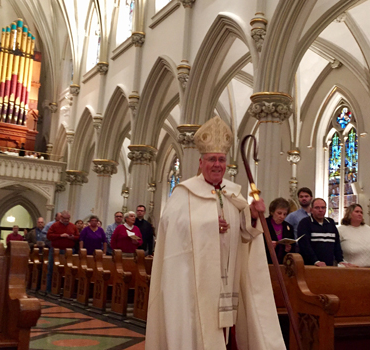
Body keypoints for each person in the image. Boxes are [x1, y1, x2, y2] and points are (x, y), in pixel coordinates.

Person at [146, 116, 285, 350]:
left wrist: (251, 214)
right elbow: (173, 229)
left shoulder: (233, 193)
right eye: (211, 159)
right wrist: (209, 226)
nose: (217, 164)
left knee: (226, 329)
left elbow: (245, 234)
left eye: (221, 159)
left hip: (228, 278)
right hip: (193, 280)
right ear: (201, 163)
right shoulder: (184, 193)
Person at [297, 198, 346, 267]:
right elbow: (305, 246)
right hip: (311, 266)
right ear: (311, 210)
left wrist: (340, 260)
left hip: (329, 266)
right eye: (317, 208)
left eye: (323, 207)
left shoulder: (330, 222)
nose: (320, 210)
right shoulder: (305, 223)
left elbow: (336, 244)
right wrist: (315, 261)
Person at [336, 204, 370, 268]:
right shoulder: (341, 230)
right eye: (357, 212)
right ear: (349, 214)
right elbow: (335, 251)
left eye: (361, 212)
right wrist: (345, 264)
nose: (360, 214)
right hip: (351, 270)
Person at [46, 211, 78, 292]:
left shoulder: (73, 226)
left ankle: (65, 290)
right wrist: (60, 235)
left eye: (68, 219)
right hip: (56, 250)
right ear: (61, 218)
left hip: (68, 251)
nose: (67, 220)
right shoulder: (55, 225)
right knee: (52, 269)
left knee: (67, 271)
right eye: (65, 219)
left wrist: (72, 237)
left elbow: (78, 236)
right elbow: (49, 236)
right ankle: (49, 289)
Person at [264, 197, 295, 264]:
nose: (282, 216)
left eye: (285, 214)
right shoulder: (264, 224)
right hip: (266, 261)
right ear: (272, 212)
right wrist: (268, 245)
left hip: (282, 263)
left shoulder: (288, 227)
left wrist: (289, 248)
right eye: (279, 213)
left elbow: (293, 246)